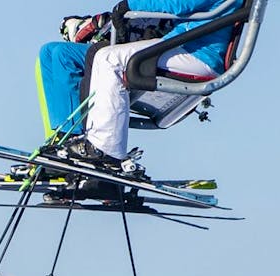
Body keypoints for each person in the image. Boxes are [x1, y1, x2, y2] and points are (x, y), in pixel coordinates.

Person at [36, 0, 239, 170]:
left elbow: (179, 3)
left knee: (108, 59)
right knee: (52, 52)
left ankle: (107, 151)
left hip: (197, 54)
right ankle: (66, 142)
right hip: (177, 43)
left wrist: (129, 5)